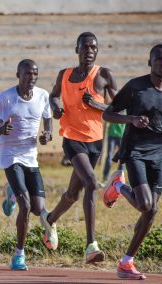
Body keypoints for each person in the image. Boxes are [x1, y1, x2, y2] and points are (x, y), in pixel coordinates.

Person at [41, 32, 117, 263]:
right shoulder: (64, 75)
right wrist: (56, 109)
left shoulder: (104, 75)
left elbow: (119, 108)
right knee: (92, 183)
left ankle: (50, 219)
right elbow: (54, 96)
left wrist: (97, 104)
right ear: (77, 50)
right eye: (85, 47)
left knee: (74, 194)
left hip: (95, 141)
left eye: (93, 47)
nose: (89, 51)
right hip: (72, 138)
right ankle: (91, 246)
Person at [102, 44, 162, 280]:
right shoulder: (136, 87)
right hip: (136, 151)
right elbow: (108, 113)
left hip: (159, 154)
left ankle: (126, 263)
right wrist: (132, 119)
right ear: (150, 62)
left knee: (152, 211)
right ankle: (118, 186)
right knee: (145, 205)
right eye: (158, 59)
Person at [0, 59, 52, 270]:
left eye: (35, 74)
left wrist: (47, 134)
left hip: (30, 156)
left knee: (37, 209)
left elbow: (48, 119)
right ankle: (19, 256)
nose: (31, 77)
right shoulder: (6, 98)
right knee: (25, 206)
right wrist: (0, 131)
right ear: (18, 74)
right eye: (27, 74)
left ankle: (12, 193)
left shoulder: (42, 96)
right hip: (10, 155)